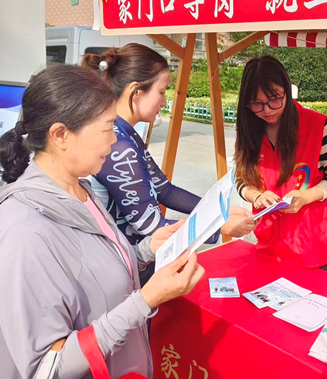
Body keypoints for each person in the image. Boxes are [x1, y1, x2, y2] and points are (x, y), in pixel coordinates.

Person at [0, 65, 204, 379]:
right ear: (60, 135)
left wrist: (146, 250)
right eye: (107, 128)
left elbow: (95, 275)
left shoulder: (80, 190)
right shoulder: (23, 233)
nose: (113, 140)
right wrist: (146, 300)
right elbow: (48, 368)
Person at [82, 45, 256, 285]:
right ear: (136, 91)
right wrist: (220, 226)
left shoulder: (127, 134)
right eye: (162, 91)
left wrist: (218, 213)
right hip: (124, 273)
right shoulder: (119, 145)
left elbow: (166, 191)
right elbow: (152, 226)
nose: (165, 101)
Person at [233, 55, 327, 272]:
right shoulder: (249, 131)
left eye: (274, 99)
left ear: (286, 90)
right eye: (257, 104)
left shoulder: (317, 126)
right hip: (269, 244)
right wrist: (255, 196)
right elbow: (240, 178)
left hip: (314, 245)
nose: (267, 110)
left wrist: (305, 197)